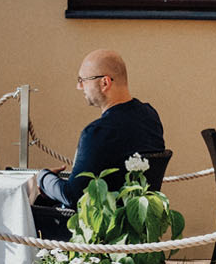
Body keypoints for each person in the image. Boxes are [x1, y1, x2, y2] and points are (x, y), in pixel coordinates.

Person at [27, 49, 165, 239]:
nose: (79, 87)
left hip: (99, 233)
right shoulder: (150, 116)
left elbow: (73, 196)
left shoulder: (98, 132)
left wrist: (43, 178)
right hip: (137, 229)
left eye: (83, 80)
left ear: (104, 82)